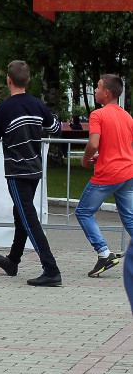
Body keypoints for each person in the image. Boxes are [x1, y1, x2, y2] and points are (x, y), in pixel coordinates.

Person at [0, 60, 62, 287]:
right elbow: (55, 128)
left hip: (17, 172)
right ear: (28, 80)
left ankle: (51, 269)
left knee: (28, 218)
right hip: (35, 169)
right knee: (21, 215)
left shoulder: (4, 108)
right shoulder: (37, 104)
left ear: (9, 80)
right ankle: (13, 261)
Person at [74, 75, 133, 279]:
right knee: (129, 217)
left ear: (107, 93)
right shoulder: (127, 116)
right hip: (128, 172)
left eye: (97, 87)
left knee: (83, 212)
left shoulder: (97, 115)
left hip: (108, 173)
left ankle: (104, 253)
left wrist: (85, 159)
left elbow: (93, 144)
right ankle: (105, 254)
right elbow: (123, 146)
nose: (95, 91)